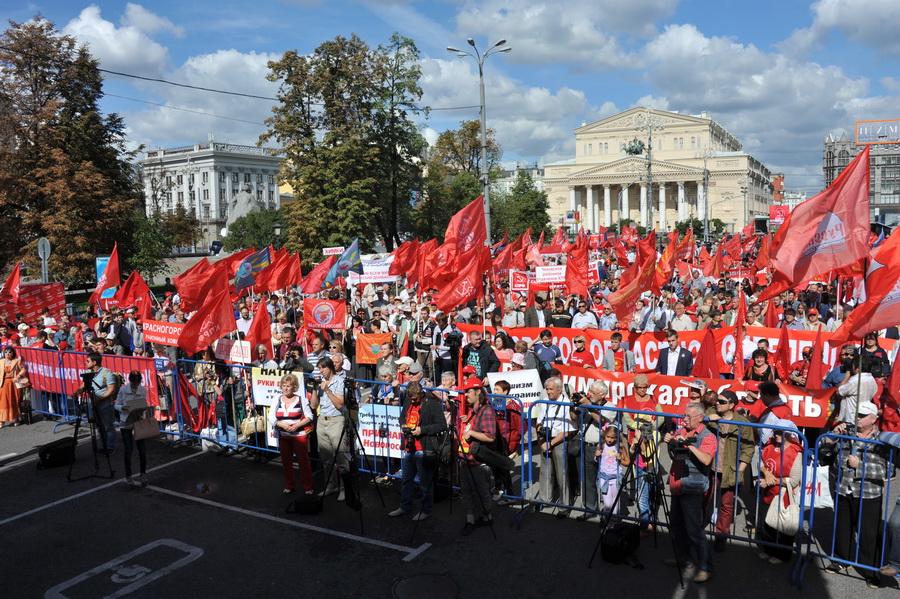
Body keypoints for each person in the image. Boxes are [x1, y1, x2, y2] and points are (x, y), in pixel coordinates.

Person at [824, 402, 891, 587]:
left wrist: (860, 466)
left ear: (874, 418)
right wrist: (832, 437)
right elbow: (827, 449)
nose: (858, 418)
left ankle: (871, 570)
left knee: (868, 533)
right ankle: (840, 560)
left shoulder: (883, 440)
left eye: (862, 415)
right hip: (844, 488)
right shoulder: (846, 432)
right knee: (842, 527)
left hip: (868, 493)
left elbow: (888, 470)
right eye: (857, 414)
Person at [663, 402, 717, 583]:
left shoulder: (708, 436)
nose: (684, 419)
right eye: (684, 416)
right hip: (677, 484)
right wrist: (670, 441)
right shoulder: (682, 431)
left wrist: (689, 445)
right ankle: (684, 559)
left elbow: (707, 459)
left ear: (700, 418)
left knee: (694, 530)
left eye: (688, 417)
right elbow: (674, 453)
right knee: (677, 525)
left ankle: (705, 566)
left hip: (692, 487)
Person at [388, 381, 447, 520]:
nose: (413, 400)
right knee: (406, 480)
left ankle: (426, 510)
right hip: (409, 447)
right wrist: (403, 425)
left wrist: (422, 430)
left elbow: (442, 425)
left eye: (415, 398)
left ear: (421, 394)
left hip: (424, 448)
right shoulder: (409, 400)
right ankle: (404, 507)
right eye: (411, 398)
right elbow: (402, 416)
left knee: (425, 483)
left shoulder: (432, 403)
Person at [705, 390, 756, 551]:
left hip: (729, 469)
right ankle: (697, 529)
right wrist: (708, 418)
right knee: (704, 498)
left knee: (726, 504)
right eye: (717, 401)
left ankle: (721, 535)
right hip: (709, 466)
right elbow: (695, 419)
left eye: (721, 402)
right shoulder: (711, 414)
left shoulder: (742, 422)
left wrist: (740, 470)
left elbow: (749, 448)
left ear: (732, 405)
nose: (717, 404)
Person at [756, 418, 803, 565]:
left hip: (785, 494)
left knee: (783, 525)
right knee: (766, 523)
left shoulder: (796, 452)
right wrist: (766, 472)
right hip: (768, 492)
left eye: (779, 432)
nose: (775, 434)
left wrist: (772, 480)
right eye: (775, 431)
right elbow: (761, 462)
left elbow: (794, 480)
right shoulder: (769, 445)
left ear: (788, 434)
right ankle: (768, 549)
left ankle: (783, 554)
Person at [623, 374, 664, 532]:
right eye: (639, 387)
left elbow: (660, 417)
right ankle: (645, 519)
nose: (642, 390)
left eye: (644, 387)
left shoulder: (653, 399)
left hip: (651, 440)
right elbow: (627, 418)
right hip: (635, 440)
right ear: (635, 387)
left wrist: (651, 427)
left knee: (652, 477)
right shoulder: (628, 399)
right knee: (639, 476)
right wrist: (638, 427)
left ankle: (650, 515)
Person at [458, 379, 497, 535]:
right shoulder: (472, 411)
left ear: (478, 392)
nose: (466, 394)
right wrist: (468, 422)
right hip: (465, 458)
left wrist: (471, 432)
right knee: (466, 491)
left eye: (468, 391)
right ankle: (470, 519)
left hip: (477, 460)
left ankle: (487, 517)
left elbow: (490, 436)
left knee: (481, 491)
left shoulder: (486, 411)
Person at [309, 357, 348, 500]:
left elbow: (340, 404)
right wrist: (314, 389)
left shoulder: (340, 381)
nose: (321, 371)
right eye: (319, 368)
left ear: (330, 368)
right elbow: (313, 406)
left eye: (323, 368)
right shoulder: (321, 383)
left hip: (336, 421)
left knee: (341, 457)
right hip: (322, 421)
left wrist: (328, 391)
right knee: (326, 458)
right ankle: (331, 485)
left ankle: (345, 489)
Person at [270, 373, 315, 495]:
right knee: (286, 462)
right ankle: (289, 485)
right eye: (283, 385)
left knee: (303, 462)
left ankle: (308, 487)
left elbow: (310, 416)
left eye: (288, 386)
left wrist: (296, 425)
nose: (285, 388)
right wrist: (282, 425)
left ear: (294, 387)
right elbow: (271, 417)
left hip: (299, 436)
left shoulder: (301, 399)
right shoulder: (276, 399)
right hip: (284, 436)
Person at [537, 377, 574, 518]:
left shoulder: (566, 404)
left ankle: (565, 505)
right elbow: (539, 421)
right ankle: (545, 499)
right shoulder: (544, 401)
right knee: (545, 471)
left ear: (559, 389)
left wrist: (551, 444)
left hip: (559, 441)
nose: (548, 391)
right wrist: (541, 436)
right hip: (545, 440)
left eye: (551, 389)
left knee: (561, 474)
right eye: (547, 389)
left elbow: (568, 431)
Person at [114, 371, 149, 486]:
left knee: (142, 450)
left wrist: (142, 410)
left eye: (137, 383)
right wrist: (124, 408)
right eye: (134, 383)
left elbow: (144, 404)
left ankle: (143, 474)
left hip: (138, 422)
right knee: (128, 450)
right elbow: (116, 405)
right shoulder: (123, 390)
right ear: (130, 381)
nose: (135, 385)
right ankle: (128, 476)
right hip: (126, 422)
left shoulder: (143, 390)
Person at [81, 352, 119, 452]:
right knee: (99, 427)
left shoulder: (107, 373)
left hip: (105, 405)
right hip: (93, 404)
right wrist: (77, 391)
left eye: (88, 361)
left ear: (94, 362)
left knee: (108, 426)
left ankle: (110, 447)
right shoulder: (88, 373)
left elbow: (111, 389)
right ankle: (104, 446)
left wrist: (99, 399)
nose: (86, 362)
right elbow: (83, 385)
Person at [595, 424, 630, 514]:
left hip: (615, 478)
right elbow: (596, 458)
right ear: (605, 435)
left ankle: (613, 523)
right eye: (608, 437)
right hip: (604, 477)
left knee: (615, 503)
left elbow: (627, 462)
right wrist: (596, 455)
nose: (610, 440)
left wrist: (620, 460)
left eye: (613, 437)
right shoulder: (601, 445)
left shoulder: (620, 447)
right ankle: (607, 519)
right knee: (607, 503)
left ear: (617, 437)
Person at [0, 346, 27, 427]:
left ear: (13, 353)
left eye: (10, 352)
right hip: (3, 384)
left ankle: (16, 418)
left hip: (13, 384)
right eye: (6, 352)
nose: (7, 354)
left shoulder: (16, 361)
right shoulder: (1, 362)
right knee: (3, 403)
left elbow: (23, 369)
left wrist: (18, 376)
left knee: (14, 401)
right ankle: (1, 421)